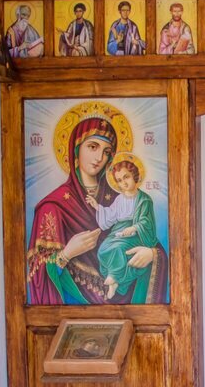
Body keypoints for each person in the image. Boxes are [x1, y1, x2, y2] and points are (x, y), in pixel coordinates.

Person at [26, 114, 167, 304]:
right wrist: (66, 254)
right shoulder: (53, 206)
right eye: (93, 147)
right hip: (73, 311)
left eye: (107, 151)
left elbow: (148, 237)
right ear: (76, 148)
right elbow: (37, 275)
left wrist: (151, 255)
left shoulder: (122, 197)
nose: (100, 157)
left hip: (127, 312)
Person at [86, 157, 160, 302]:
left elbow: (147, 222)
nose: (123, 183)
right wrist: (97, 207)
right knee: (103, 249)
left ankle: (114, 278)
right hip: (118, 231)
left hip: (137, 234)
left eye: (126, 177)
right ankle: (116, 281)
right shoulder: (119, 199)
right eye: (119, 180)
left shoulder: (144, 200)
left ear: (134, 175)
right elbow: (111, 215)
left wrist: (134, 227)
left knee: (119, 249)